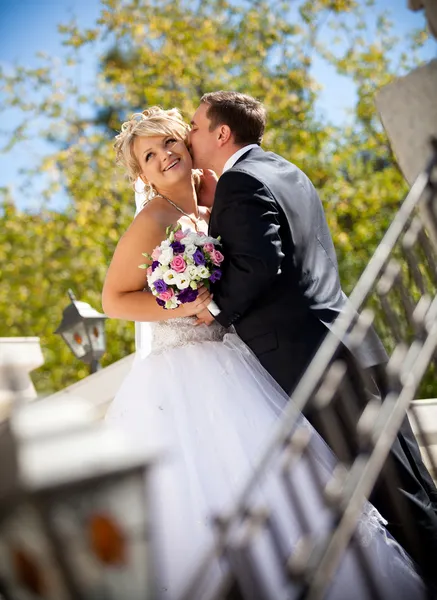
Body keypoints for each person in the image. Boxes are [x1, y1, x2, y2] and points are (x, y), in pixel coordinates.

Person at [102, 107, 425, 600]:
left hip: (241, 358)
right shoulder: (154, 218)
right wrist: (186, 304)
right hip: (188, 370)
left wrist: (212, 303)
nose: (164, 156)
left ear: (187, 144)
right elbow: (113, 300)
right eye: (149, 156)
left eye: (169, 142)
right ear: (141, 175)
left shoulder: (214, 209)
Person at [188, 91, 437, 590]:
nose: (189, 137)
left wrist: (211, 308)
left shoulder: (239, 183)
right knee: (411, 477)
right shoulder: (285, 171)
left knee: (391, 490)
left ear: (221, 133)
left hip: (315, 359)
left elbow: (260, 263)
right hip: (351, 340)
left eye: (194, 127)